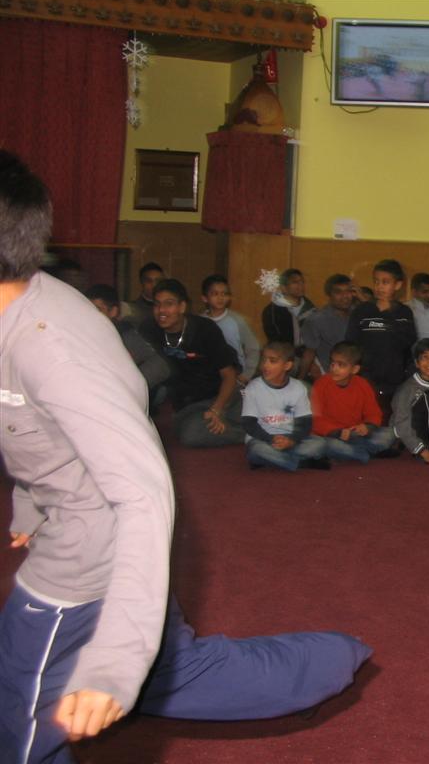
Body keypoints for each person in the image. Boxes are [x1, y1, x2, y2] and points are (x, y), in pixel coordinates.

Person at [0, 151, 371, 764]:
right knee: (179, 672)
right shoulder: (33, 303)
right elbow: (44, 424)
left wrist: (115, 662)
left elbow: (143, 492)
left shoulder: (50, 346)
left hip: (84, 564)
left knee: (20, 717)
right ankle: (329, 658)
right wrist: (30, 501)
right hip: (99, 542)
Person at [142, 278, 246, 447]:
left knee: (263, 417)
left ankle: (250, 430)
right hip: (188, 406)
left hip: (223, 396)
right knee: (190, 435)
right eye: (157, 304)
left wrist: (216, 409)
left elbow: (229, 375)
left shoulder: (205, 329)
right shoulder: (149, 330)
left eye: (169, 304)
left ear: (182, 307)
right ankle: (245, 432)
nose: (161, 310)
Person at [344, 258, 417, 419]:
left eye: (385, 282)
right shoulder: (361, 311)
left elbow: (408, 346)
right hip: (365, 378)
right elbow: (350, 345)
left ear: (397, 285)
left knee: (387, 422)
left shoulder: (404, 313)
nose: (380, 287)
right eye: (376, 282)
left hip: (394, 380)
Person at [242, 342, 328, 471]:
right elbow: (249, 424)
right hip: (264, 439)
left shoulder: (298, 387)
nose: (265, 365)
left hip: (292, 438)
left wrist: (291, 441)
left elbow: (305, 423)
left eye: (272, 361)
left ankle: (276, 460)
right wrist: (271, 439)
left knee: (320, 444)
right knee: (256, 450)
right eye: (263, 360)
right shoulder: (253, 388)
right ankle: (301, 464)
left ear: (287, 365)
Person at [311, 341, 398, 463]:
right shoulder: (321, 384)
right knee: (322, 444)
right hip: (331, 435)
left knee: (389, 434)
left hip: (354, 434)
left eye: (341, 365)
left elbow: (374, 413)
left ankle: (354, 453)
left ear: (355, 369)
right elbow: (316, 419)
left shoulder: (363, 384)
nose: (334, 368)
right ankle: (365, 453)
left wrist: (367, 427)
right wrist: (337, 432)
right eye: (332, 363)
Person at [85, 283, 171, 392]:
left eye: (98, 310)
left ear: (113, 312)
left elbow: (161, 365)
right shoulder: (83, 335)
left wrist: (130, 387)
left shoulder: (127, 336)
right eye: (87, 310)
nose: (91, 315)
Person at [201, 274, 260, 385]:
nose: (220, 298)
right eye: (215, 294)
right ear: (204, 298)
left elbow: (253, 348)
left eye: (225, 294)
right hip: (209, 376)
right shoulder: (200, 321)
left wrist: (246, 375)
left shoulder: (237, 321)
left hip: (236, 374)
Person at [299, 273, 355, 380]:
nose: (345, 296)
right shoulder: (316, 320)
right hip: (330, 379)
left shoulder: (358, 316)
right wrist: (300, 380)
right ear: (329, 295)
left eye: (348, 291)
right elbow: (309, 353)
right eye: (338, 292)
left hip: (356, 378)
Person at [261, 268, 315, 347]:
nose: (301, 285)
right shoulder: (271, 311)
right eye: (295, 282)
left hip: (309, 354)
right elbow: (276, 340)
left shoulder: (310, 308)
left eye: (302, 282)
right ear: (283, 287)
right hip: (284, 354)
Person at [125, 261, 164, 331]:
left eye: (158, 281)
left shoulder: (167, 310)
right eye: (149, 281)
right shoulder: (131, 310)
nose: (154, 285)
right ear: (142, 282)